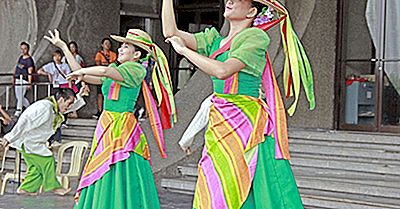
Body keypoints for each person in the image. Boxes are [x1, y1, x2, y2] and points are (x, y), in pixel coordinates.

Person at [162, 0, 315, 208]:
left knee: (242, 182)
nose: (229, 1)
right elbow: (170, 32)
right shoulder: (215, 40)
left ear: (252, 11)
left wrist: (185, 52)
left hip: (246, 123)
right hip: (219, 121)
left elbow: (223, 70)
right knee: (213, 182)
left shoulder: (255, 37)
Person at [44, 28, 176, 209]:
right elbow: (82, 73)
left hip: (123, 127)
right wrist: (64, 47)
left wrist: (81, 73)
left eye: (126, 46)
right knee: (103, 169)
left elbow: (104, 71)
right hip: (106, 123)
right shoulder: (116, 69)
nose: (120, 49)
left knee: (122, 170)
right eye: (121, 45)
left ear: (137, 54)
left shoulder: (136, 70)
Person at [0, 88, 76, 196]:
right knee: (48, 160)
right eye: (68, 103)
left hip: (32, 142)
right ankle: (54, 187)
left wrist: (81, 95)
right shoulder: (44, 108)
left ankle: (26, 189)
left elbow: (70, 106)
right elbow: (24, 121)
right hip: (27, 142)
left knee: (36, 168)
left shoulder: (53, 107)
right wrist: (9, 138)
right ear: (62, 99)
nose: (69, 107)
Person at [93, 38, 117, 118]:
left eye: (109, 43)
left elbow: (114, 65)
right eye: (106, 43)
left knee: (109, 93)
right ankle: (100, 111)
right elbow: (98, 65)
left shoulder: (113, 54)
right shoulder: (99, 54)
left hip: (110, 76)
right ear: (102, 45)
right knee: (100, 94)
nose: (107, 45)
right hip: (101, 76)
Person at [13, 42, 35, 117]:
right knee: (19, 97)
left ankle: (18, 111)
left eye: (24, 49)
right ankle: (29, 108)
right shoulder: (21, 58)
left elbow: (30, 71)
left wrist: (29, 82)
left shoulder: (29, 60)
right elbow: (17, 68)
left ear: (28, 49)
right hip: (18, 78)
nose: (23, 50)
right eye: (21, 49)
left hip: (24, 79)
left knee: (20, 96)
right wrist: (14, 77)